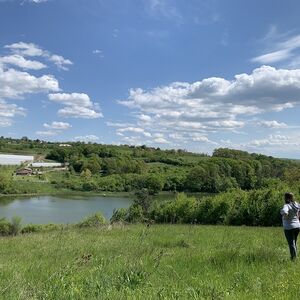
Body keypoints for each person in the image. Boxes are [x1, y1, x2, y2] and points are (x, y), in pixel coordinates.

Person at [280, 192, 300, 260]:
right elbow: (298, 211)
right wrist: (297, 217)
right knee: (294, 242)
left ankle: (293, 259)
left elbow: (285, 212)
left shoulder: (286, 205)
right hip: (297, 226)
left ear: (286, 198)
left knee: (291, 243)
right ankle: (295, 256)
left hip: (289, 227)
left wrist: (285, 217)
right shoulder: (296, 204)